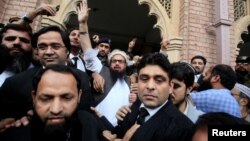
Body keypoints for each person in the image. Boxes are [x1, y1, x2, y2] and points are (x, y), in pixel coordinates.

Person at [0, 25, 92, 131]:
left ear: (67, 51)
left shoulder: (82, 77)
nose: (48, 52)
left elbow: (85, 113)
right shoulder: (14, 83)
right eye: (42, 47)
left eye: (55, 46)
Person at [0, 65, 101, 141]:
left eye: (66, 98)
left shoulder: (89, 123)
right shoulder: (13, 136)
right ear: (34, 97)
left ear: (79, 96)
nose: (55, 109)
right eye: (46, 98)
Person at [112, 53, 194, 141]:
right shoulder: (133, 107)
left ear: (170, 87)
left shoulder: (183, 129)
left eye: (159, 80)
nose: (150, 86)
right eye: (144, 79)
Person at [77, 3, 130, 127]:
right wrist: (83, 24)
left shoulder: (130, 81)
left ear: (126, 65)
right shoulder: (101, 70)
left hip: (121, 131)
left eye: (120, 61)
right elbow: (88, 53)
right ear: (109, 63)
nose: (117, 63)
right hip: (98, 126)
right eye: (114, 61)